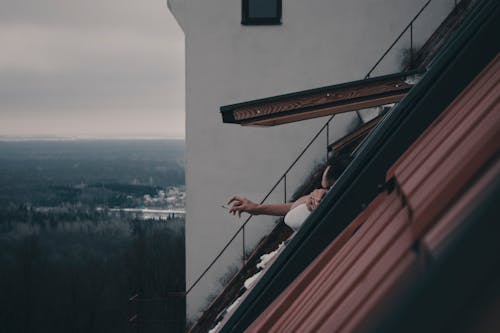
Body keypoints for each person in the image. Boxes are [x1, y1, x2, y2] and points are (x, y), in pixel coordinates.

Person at [228, 155, 350, 230]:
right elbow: (293, 206)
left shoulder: (338, 206)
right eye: (322, 188)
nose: (321, 192)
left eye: (328, 189)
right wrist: (258, 208)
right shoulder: (318, 198)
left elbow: (297, 207)